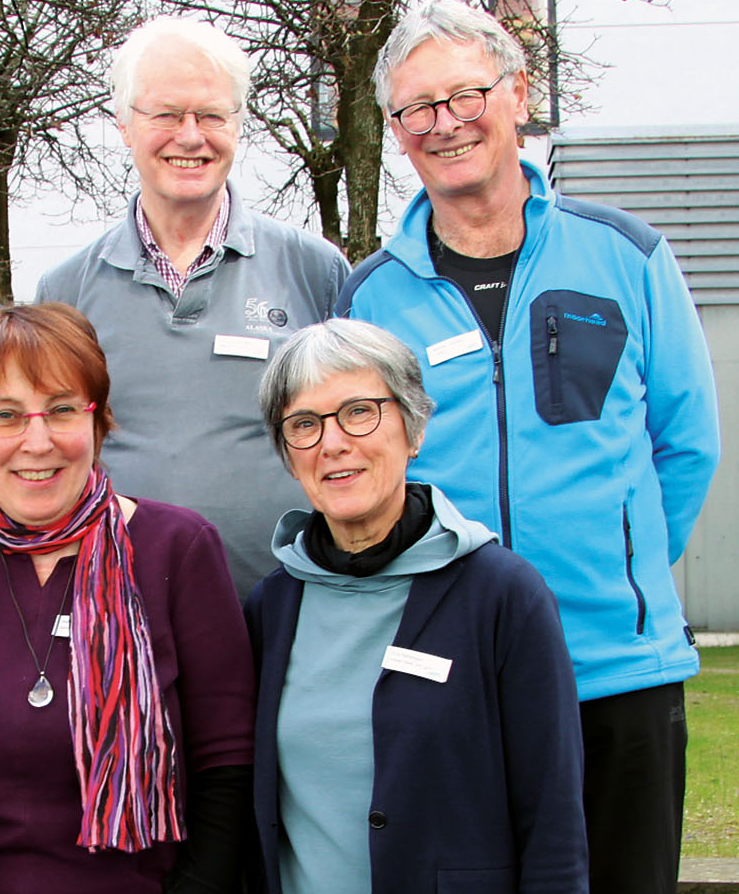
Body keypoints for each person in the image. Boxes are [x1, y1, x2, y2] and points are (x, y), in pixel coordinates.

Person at [336, 3, 721, 890]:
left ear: (516, 95)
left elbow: (686, 443)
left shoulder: (625, 254)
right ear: (397, 134)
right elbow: (367, 479)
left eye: (465, 94)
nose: (445, 122)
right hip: (455, 679)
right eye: (416, 108)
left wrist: (624, 578)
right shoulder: (371, 298)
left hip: (618, 673)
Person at [0, 304, 254, 893]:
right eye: (6, 415)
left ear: (99, 421)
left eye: (62, 409)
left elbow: (228, 764)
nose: (37, 442)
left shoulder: (177, 547)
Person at [246, 318, 587, 894]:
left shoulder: (502, 596)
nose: (332, 443)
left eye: (358, 411)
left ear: (414, 427)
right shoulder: (272, 607)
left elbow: (552, 819)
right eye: (304, 424)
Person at [36, 16, 350, 595]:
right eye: (166, 115)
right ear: (125, 125)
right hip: (122, 621)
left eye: (210, 115)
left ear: (238, 125)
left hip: (286, 612)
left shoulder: (316, 271)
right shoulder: (66, 292)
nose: (189, 136)